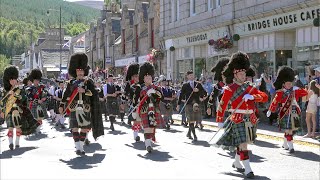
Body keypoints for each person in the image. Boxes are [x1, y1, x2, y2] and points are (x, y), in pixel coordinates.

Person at [215, 52, 268, 179]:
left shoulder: (250, 87)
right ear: (235, 74)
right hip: (237, 119)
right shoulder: (229, 89)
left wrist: (253, 96)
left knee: (243, 143)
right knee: (243, 144)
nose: (244, 76)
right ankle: (248, 169)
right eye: (241, 74)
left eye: (245, 74)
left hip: (250, 119)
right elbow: (222, 105)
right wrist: (219, 120)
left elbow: (264, 97)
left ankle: (237, 162)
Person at [59, 53, 104, 155]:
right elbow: (65, 95)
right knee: (74, 128)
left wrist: (84, 91)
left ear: (84, 71)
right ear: (75, 71)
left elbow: (94, 93)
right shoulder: (71, 83)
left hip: (86, 107)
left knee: (84, 128)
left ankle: (80, 146)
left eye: (82, 70)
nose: (80, 72)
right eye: (78, 71)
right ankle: (79, 148)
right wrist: (62, 105)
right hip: (74, 107)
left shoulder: (89, 82)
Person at [267, 66, 308, 153]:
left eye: (291, 83)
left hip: (293, 112)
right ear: (283, 84)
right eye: (288, 84)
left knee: (291, 129)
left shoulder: (295, 91)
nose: (290, 85)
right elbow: (275, 101)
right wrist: (270, 110)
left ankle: (285, 143)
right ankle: (291, 147)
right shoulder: (280, 92)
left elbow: (306, 93)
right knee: (288, 129)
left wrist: (299, 89)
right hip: (284, 112)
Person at [0, 66, 39, 150]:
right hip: (8, 111)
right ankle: (10, 143)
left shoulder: (20, 89)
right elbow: (2, 102)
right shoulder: (4, 90)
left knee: (18, 127)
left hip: (18, 110)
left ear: (16, 79)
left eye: (14, 79)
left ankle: (17, 143)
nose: (12, 81)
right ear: (8, 81)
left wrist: (15, 94)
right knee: (10, 127)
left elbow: (24, 98)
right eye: (11, 79)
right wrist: (2, 112)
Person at [136, 62, 164, 153]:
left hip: (154, 109)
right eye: (146, 77)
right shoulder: (141, 89)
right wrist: (146, 93)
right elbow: (139, 99)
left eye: (150, 77)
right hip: (145, 110)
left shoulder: (155, 87)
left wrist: (155, 92)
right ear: (143, 79)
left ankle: (148, 142)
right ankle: (148, 145)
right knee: (147, 128)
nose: (148, 79)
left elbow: (161, 97)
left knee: (151, 128)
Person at [177, 70, 207, 141]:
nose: (191, 76)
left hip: (196, 105)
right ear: (187, 76)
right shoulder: (185, 85)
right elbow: (181, 95)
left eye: (192, 75)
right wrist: (178, 104)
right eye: (190, 75)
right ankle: (194, 135)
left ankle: (189, 133)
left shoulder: (198, 84)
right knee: (191, 120)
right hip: (188, 104)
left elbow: (205, 93)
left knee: (193, 120)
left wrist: (198, 91)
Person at [26, 69, 48, 134]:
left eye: (38, 80)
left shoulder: (42, 87)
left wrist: (44, 98)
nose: (36, 82)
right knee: (34, 117)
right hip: (33, 104)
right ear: (33, 80)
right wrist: (37, 100)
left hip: (41, 104)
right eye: (35, 80)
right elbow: (30, 97)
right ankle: (35, 128)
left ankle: (38, 129)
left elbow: (46, 94)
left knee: (40, 117)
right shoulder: (29, 89)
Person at [124, 63, 142, 141]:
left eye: (137, 76)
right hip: (133, 104)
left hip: (141, 104)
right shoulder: (129, 84)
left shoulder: (141, 84)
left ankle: (137, 132)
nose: (136, 77)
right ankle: (136, 135)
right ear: (131, 76)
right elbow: (125, 93)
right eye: (135, 76)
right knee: (135, 120)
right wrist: (123, 102)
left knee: (139, 120)